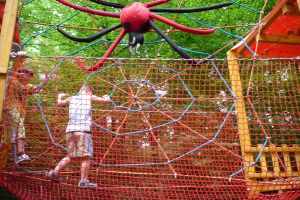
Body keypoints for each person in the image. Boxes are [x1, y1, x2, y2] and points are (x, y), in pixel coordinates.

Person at [46, 84, 110, 188]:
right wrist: (107, 96)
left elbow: (59, 103)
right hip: (83, 131)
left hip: (70, 131)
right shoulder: (89, 96)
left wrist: (60, 96)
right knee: (86, 157)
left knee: (71, 156)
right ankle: (83, 181)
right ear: (90, 92)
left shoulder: (72, 98)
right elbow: (106, 101)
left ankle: (55, 172)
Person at [4, 67, 36, 163]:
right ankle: (21, 154)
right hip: (10, 108)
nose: (28, 77)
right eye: (26, 74)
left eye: (30, 76)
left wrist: (45, 81)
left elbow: (37, 89)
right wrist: (16, 74)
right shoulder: (13, 80)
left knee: (8, 136)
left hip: (20, 112)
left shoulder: (27, 86)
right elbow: (5, 72)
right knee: (20, 128)